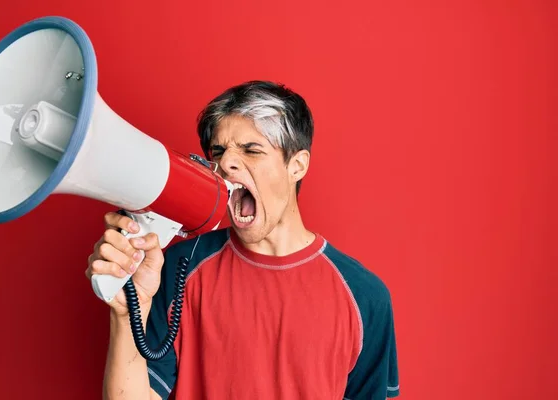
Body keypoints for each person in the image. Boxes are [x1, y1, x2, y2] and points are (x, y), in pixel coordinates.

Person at [85, 81, 400, 399]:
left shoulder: (364, 296)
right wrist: (127, 313)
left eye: (252, 150)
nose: (226, 164)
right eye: (218, 152)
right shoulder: (179, 267)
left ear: (297, 165)